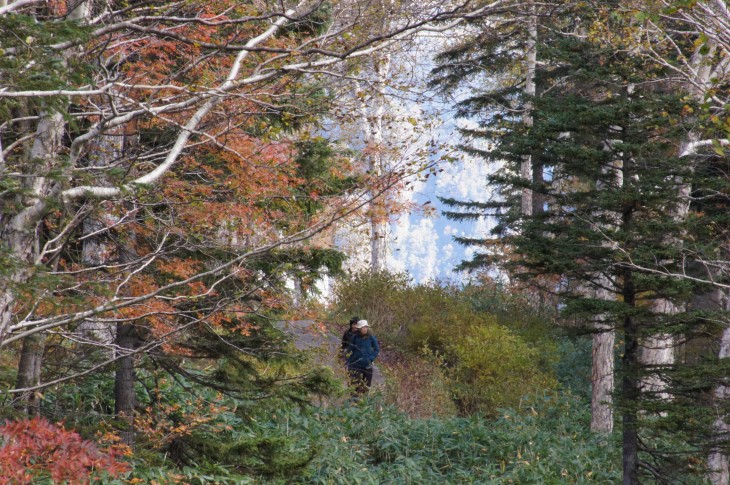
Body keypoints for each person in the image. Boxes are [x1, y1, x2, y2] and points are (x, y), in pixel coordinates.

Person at [345, 319, 380, 397]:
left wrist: (371, 358)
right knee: (354, 386)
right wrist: (348, 362)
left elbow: (377, 349)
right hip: (356, 366)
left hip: (368, 366)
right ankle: (354, 403)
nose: (365, 329)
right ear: (359, 329)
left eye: (366, 327)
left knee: (366, 387)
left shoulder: (371, 337)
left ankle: (363, 404)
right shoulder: (354, 338)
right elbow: (350, 350)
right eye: (363, 327)